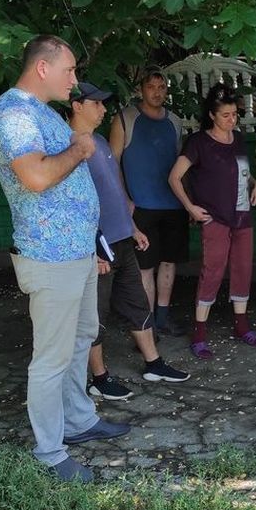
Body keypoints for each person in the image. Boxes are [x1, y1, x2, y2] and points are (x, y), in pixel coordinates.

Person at [0, 35, 129, 483]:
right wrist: (81, 147)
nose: (75, 80)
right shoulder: (11, 114)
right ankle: (49, 452)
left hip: (76, 250)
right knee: (50, 357)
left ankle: (79, 419)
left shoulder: (42, 112)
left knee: (82, 336)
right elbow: (35, 177)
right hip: (49, 254)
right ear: (42, 68)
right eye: (69, 71)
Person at [68, 82, 191, 399]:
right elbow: (73, 204)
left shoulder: (99, 142)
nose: (104, 109)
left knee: (138, 305)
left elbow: (114, 189)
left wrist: (131, 227)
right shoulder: (68, 146)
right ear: (77, 106)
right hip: (98, 247)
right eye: (96, 104)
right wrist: (91, 249)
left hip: (122, 238)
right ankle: (99, 378)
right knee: (94, 315)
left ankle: (154, 363)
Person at [168, 83, 256, 358]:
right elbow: (174, 177)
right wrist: (190, 207)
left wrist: (255, 184)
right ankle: (199, 333)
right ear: (212, 115)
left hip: (242, 214)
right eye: (225, 115)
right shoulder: (199, 142)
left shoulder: (239, 139)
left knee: (243, 268)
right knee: (212, 270)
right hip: (215, 218)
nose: (231, 120)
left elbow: (243, 172)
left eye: (235, 114)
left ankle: (241, 324)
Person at [110, 65, 187, 337]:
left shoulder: (175, 121)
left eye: (161, 87)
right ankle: (148, 323)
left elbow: (182, 163)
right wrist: (125, 200)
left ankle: (163, 316)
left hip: (173, 206)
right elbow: (112, 163)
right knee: (145, 268)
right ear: (140, 89)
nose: (157, 92)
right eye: (151, 87)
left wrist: (187, 202)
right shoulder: (125, 119)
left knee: (169, 262)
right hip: (141, 207)